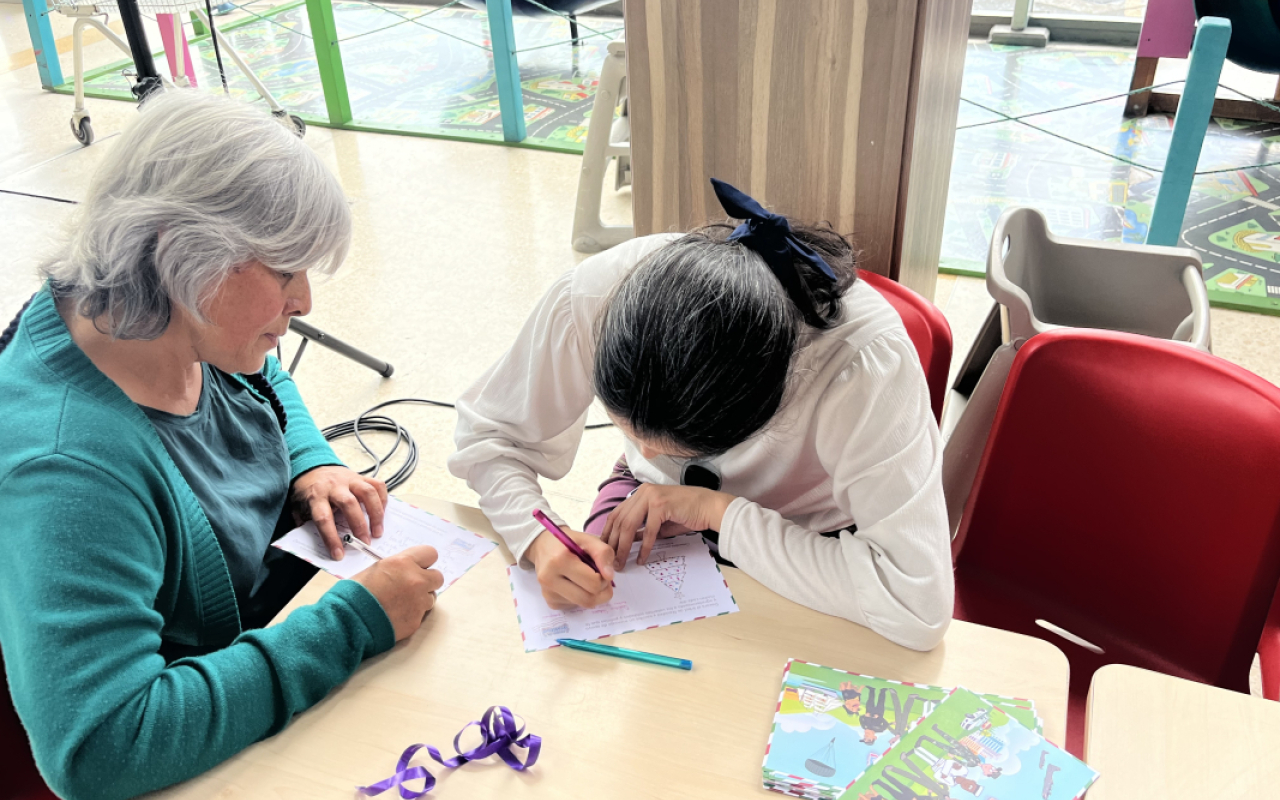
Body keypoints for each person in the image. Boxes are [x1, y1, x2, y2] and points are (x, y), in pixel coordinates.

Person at [0, 90, 442, 800]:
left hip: (266, 645)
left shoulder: (145, 311)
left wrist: (310, 460)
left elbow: (260, 374)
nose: (304, 302)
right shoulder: (68, 471)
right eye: (284, 270)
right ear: (184, 255)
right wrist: (348, 627)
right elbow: (100, 748)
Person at [450, 178, 953, 650]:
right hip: (644, 500)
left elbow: (916, 605)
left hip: (809, 532)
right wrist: (535, 536)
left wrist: (718, 513)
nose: (644, 452)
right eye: (629, 427)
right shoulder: (594, 297)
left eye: (678, 443)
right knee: (613, 652)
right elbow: (489, 436)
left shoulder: (864, 368)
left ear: (765, 408)